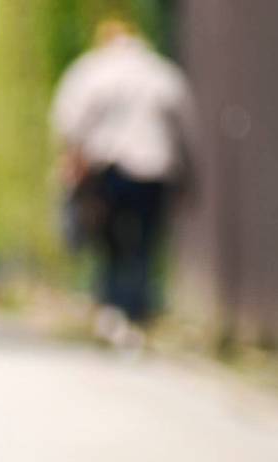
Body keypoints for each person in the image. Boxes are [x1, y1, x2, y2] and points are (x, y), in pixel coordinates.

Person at [52, 16, 196, 348]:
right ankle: (137, 315)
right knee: (144, 244)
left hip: (109, 169)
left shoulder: (91, 71)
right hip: (155, 169)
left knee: (111, 243)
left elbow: (69, 119)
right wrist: (188, 172)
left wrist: (72, 159)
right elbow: (185, 124)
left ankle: (112, 311)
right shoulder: (161, 72)